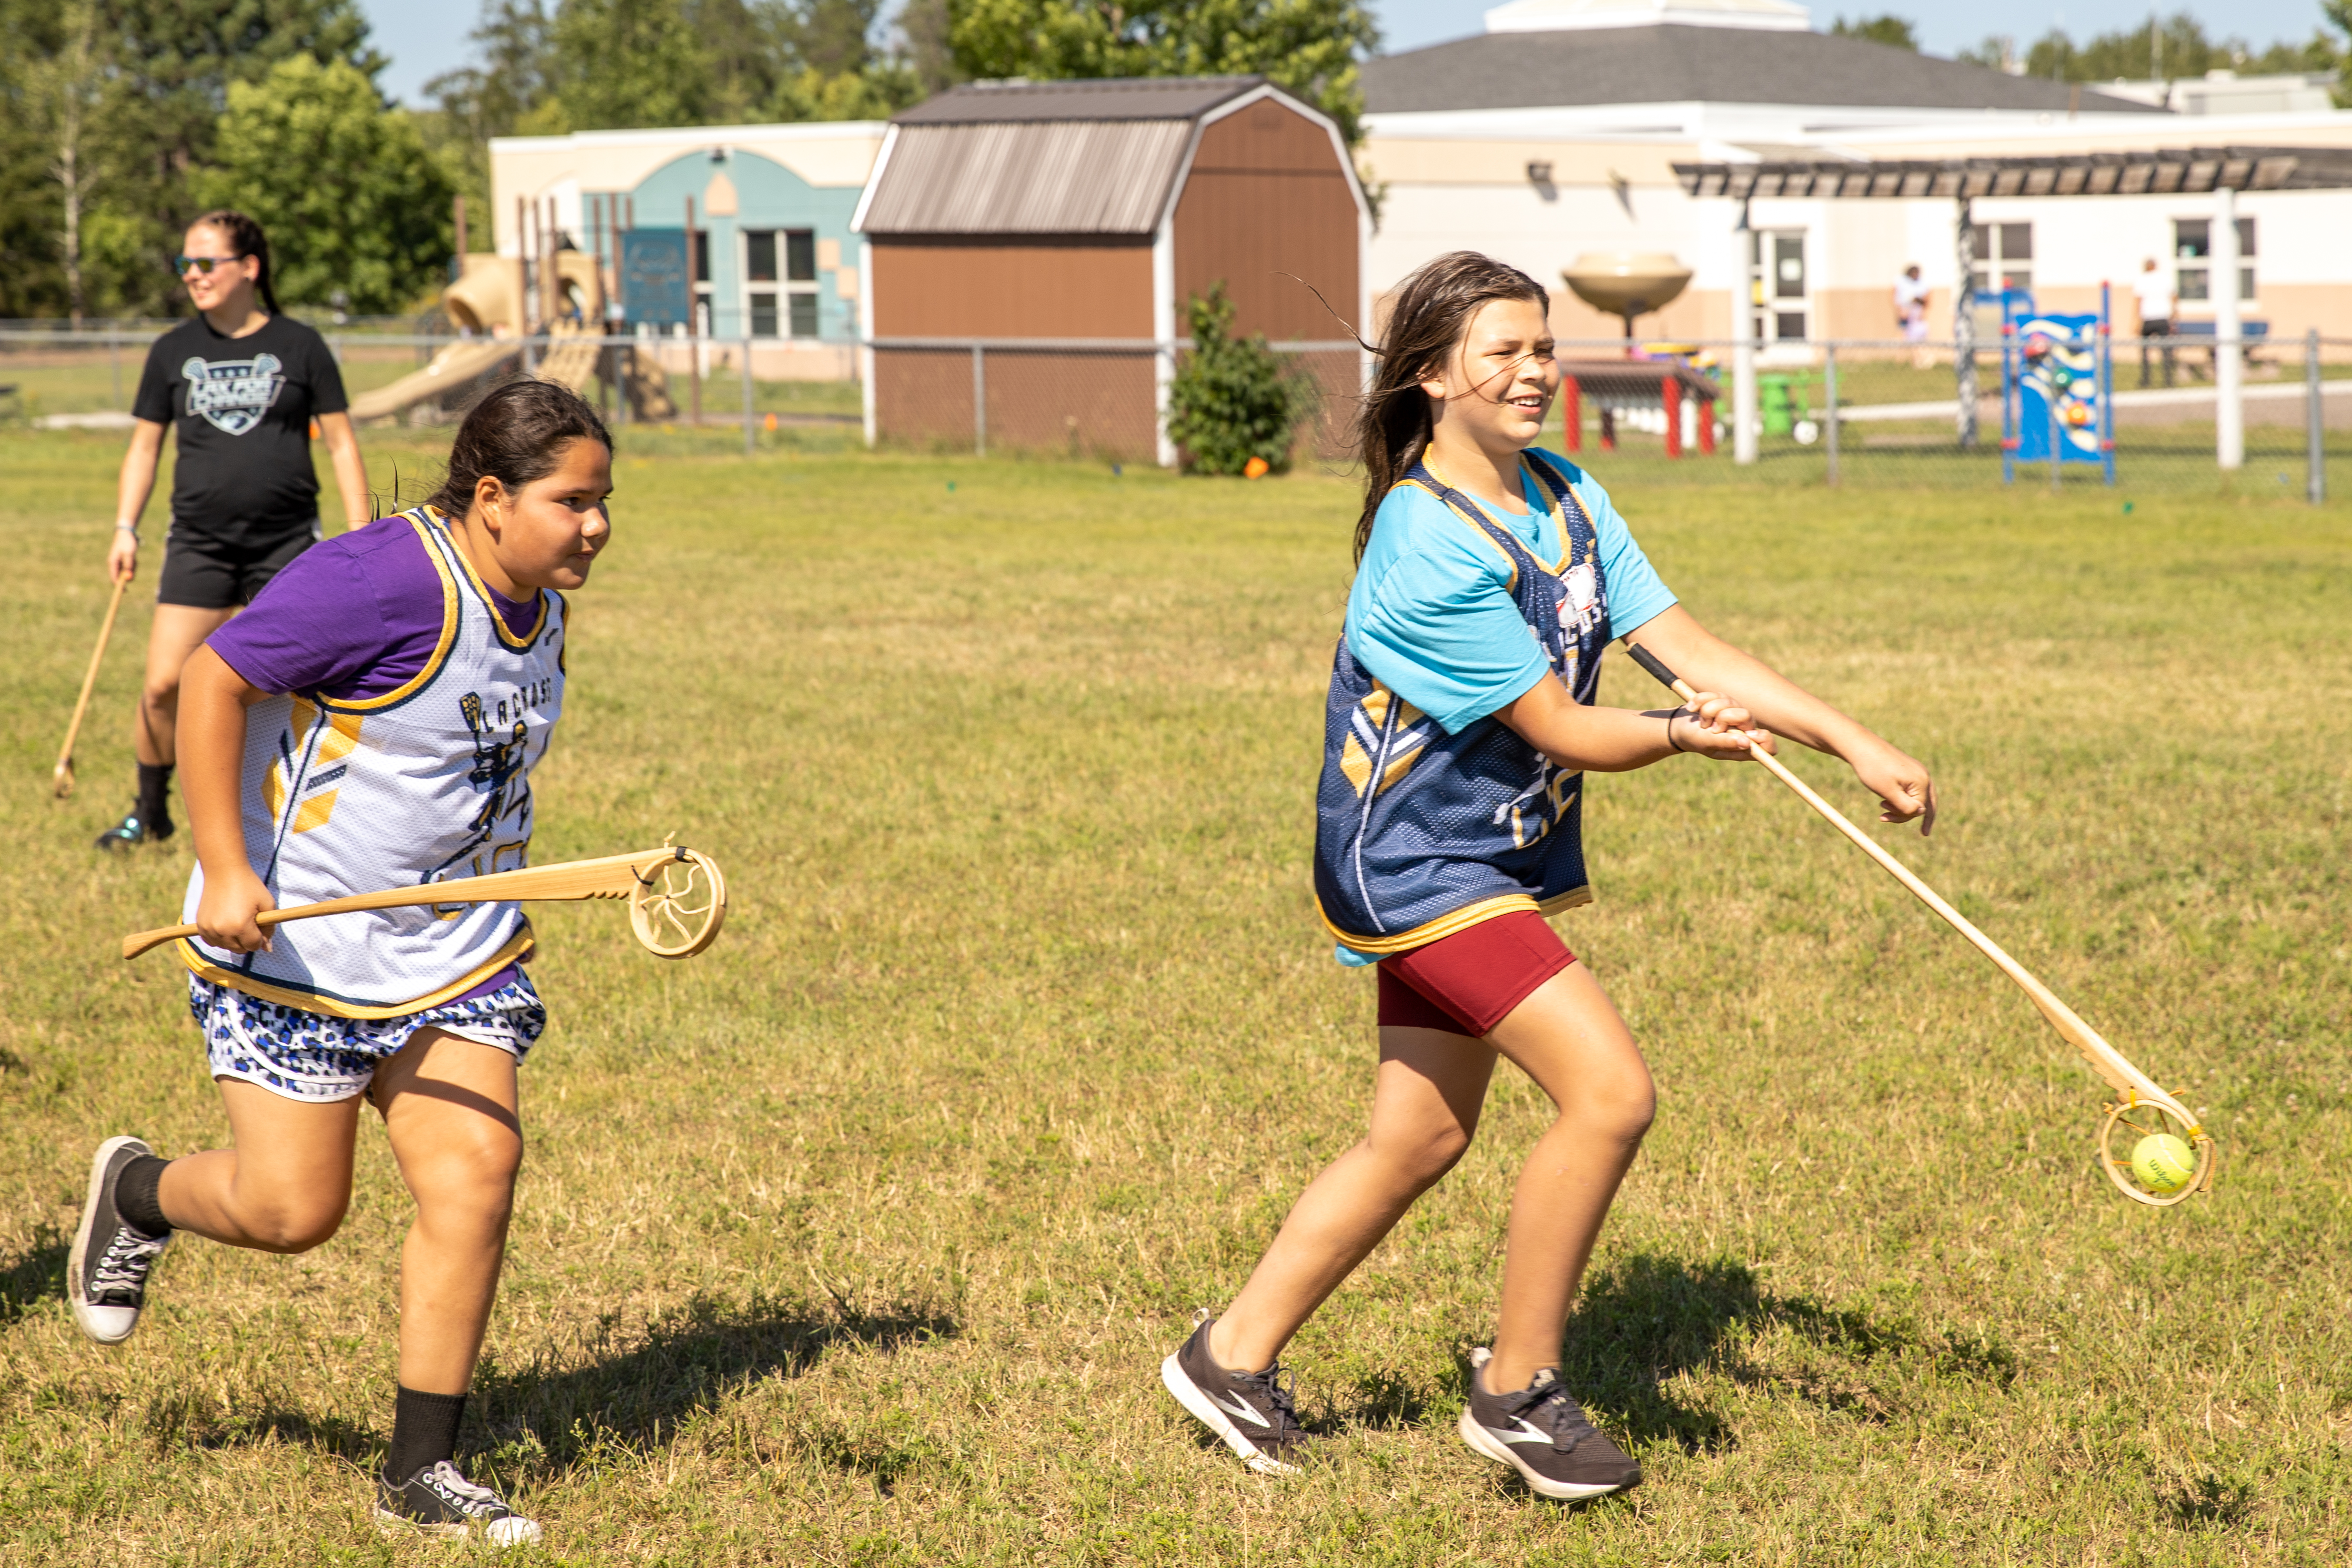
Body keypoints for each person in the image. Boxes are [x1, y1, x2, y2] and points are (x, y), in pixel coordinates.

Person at [1159, 251, 1936, 1501]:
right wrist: (1682, 733)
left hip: (1487, 855)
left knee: (1418, 1132)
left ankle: (1226, 1352)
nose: (1535, 373)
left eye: (1541, 347)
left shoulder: (1565, 494)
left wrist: (1850, 739)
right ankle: (1517, 1390)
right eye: (1503, 352)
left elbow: (1683, 645)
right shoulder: (1423, 538)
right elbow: (1564, 727)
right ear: (1429, 375)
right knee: (1609, 1092)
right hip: (1411, 864)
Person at [67, 381, 613, 1545]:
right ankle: (137, 1189)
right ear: (492, 496)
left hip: (455, 952)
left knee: (476, 1168)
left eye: (604, 500)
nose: (596, 525)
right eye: (574, 501)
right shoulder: (377, 580)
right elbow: (215, 675)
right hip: (297, 944)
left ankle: (421, 1468)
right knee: (291, 1210)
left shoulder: (538, 591)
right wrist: (221, 864)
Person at [98, 209, 370, 850]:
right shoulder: (171, 350)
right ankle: (150, 810)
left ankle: (304, 809)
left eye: (205, 262)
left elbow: (341, 444)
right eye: (184, 264)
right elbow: (144, 449)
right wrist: (123, 527)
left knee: (294, 684)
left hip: (285, 545)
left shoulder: (301, 345)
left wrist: (360, 534)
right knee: (164, 682)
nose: (192, 275)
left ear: (248, 267)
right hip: (199, 543)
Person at [2134, 257, 2176, 388]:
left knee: (2145, 351)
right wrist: (2174, 317)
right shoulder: (2165, 279)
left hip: (2148, 318)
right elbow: (2174, 297)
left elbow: (2138, 301)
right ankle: (2168, 380)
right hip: (2163, 317)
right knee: (2165, 351)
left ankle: (2146, 380)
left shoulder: (2142, 279)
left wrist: (2136, 321)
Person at [1894, 264, 1932, 368]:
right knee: (1903, 336)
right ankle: (1899, 361)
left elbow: (1927, 299)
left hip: (1915, 321)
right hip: (1905, 315)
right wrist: (1900, 311)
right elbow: (1895, 295)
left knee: (1914, 340)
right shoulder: (1901, 281)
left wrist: (1922, 312)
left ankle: (1917, 361)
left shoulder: (1922, 284)